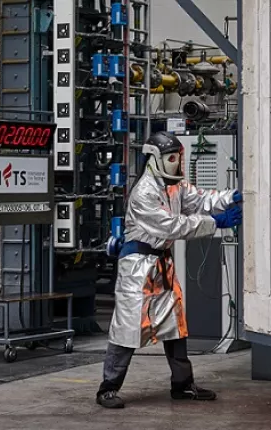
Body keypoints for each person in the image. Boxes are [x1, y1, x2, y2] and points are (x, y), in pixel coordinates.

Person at [96, 131, 242, 409]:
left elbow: (200, 199)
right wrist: (216, 222)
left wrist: (230, 196)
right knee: (127, 329)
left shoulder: (173, 186)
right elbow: (173, 225)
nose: (177, 163)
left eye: (178, 157)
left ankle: (183, 385)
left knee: (176, 326)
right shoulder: (144, 194)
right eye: (171, 158)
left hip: (162, 265)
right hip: (138, 270)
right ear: (155, 159)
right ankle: (108, 388)